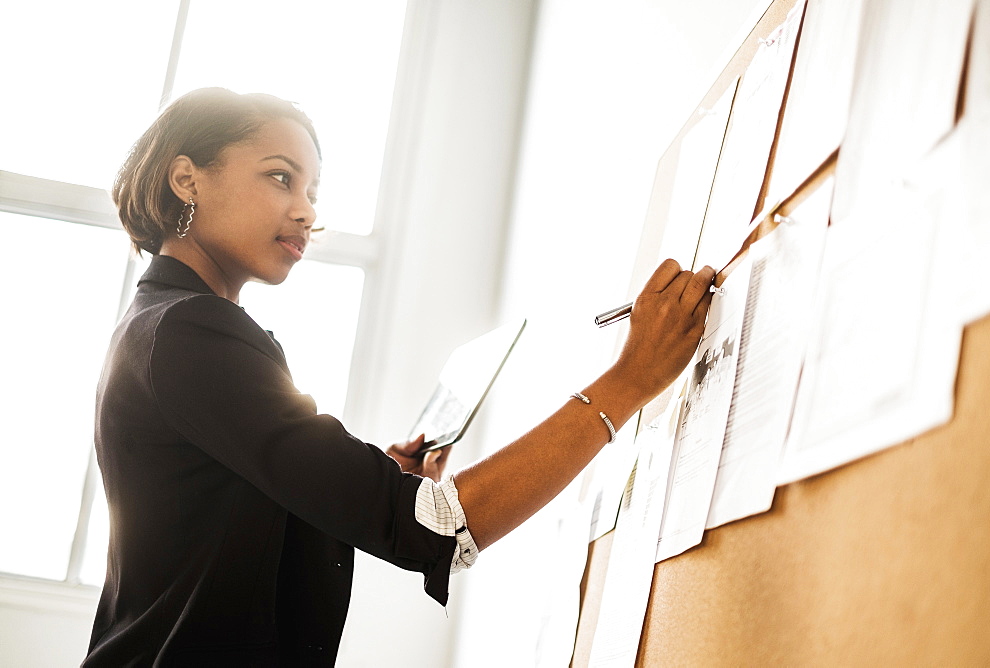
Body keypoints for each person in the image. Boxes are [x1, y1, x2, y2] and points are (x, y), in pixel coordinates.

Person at [83, 87, 715, 666]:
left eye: (314, 192)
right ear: (187, 179)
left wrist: (377, 478)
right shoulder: (192, 333)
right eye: (281, 178)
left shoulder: (164, 326)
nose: (306, 211)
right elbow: (438, 528)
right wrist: (629, 381)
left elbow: (227, 520)